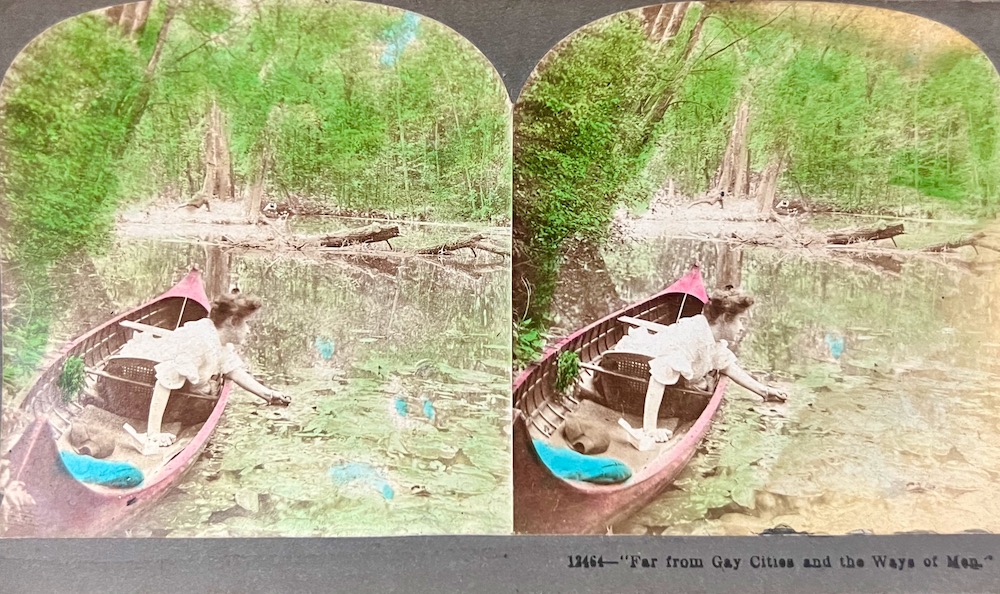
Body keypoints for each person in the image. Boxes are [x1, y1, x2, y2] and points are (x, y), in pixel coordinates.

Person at [119, 292, 290, 454]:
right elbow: (164, 381)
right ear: (233, 321)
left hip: (163, 378)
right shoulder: (200, 341)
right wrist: (154, 434)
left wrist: (268, 394)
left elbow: (232, 369)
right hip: (137, 376)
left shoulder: (218, 339)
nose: (248, 330)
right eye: (246, 323)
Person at [611, 288, 787, 444]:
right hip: (636, 375)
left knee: (702, 383)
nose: (741, 328)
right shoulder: (692, 337)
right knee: (701, 384)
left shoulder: (710, 336)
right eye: (740, 320)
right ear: (725, 318)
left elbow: (727, 365)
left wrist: (763, 391)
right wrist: (650, 430)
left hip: (659, 374)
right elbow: (658, 378)